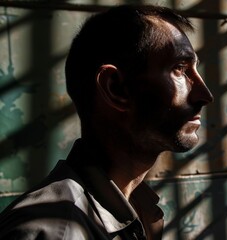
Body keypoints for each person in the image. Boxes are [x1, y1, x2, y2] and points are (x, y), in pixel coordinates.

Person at [0, 4, 213, 240]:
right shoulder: (54, 231)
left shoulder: (140, 208)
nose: (205, 95)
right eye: (180, 69)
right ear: (116, 88)